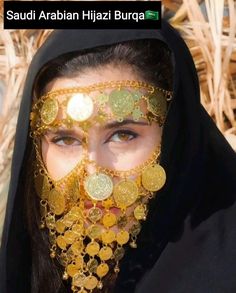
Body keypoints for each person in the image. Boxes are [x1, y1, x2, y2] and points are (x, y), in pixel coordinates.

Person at [0, 21, 236, 293]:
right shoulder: (29, 273)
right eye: (65, 139)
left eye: (123, 135)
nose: (92, 179)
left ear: (176, 136)